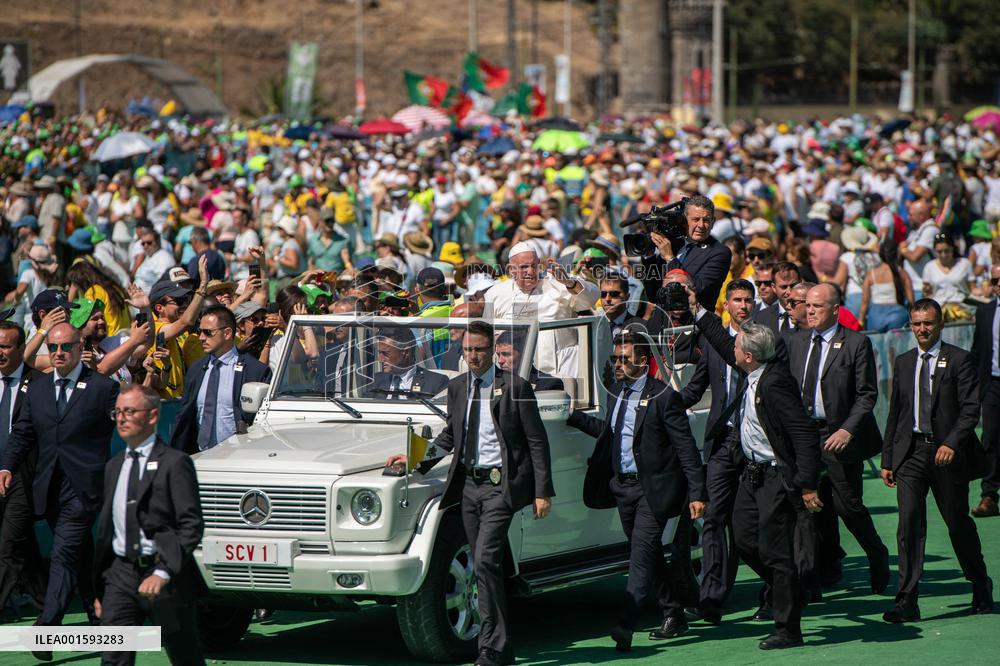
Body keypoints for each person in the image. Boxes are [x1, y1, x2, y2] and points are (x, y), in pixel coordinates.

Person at [387, 320, 554, 666]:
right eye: (467, 350)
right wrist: (415, 460)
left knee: (487, 561)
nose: (473, 356)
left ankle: (491, 646)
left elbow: (536, 441)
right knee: (482, 565)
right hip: (468, 487)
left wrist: (542, 491)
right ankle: (501, 645)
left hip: (500, 487)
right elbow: (451, 436)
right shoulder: (458, 387)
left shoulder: (515, 387)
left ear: (492, 350)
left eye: (479, 349)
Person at [567, 329, 705, 651]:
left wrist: (698, 493)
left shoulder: (663, 397)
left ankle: (625, 625)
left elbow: (685, 447)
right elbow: (610, 433)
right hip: (623, 488)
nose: (617, 364)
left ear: (642, 362)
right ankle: (674, 613)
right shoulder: (616, 392)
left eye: (624, 359)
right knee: (649, 553)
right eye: (615, 358)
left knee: (640, 557)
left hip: (652, 490)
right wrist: (572, 417)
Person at [693, 312, 822, 650]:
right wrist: (699, 311)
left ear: (749, 356)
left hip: (776, 477)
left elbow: (804, 434)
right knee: (746, 540)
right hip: (751, 475)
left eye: (737, 347)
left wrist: (808, 484)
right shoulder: (753, 370)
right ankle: (789, 588)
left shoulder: (775, 383)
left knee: (776, 551)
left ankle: (788, 629)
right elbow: (724, 345)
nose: (732, 350)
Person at [0, 323, 120, 647]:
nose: (58, 353)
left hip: (83, 487)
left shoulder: (102, 388)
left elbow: (128, 424)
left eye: (66, 347)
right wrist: (7, 466)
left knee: (64, 552)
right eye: (52, 348)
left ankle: (47, 627)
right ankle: (99, 613)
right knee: (80, 552)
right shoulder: (37, 388)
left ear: (80, 348)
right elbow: (23, 432)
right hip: (48, 485)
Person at [880, 299, 993, 622]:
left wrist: (952, 443)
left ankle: (980, 584)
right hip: (911, 454)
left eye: (928, 323)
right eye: (916, 324)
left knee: (957, 523)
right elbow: (896, 413)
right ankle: (906, 600)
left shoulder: (959, 360)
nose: (922, 329)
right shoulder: (904, 362)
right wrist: (888, 458)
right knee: (908, 524)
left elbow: (970, 409)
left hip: (947, 456)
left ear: (940, 324)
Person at [93, 384, 205, 665]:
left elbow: (190, 525)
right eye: (117, 412)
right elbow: (108, 530)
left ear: (153, 416)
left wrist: (163, 572)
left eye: (130, 411)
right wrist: (102, 589)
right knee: (114, 659)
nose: (122, 418)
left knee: (183, 655)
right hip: (121, 576)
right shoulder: (114, 466)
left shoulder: (174, 463)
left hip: (164, 577)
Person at [795, 284, 889, 593]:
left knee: (848, 507)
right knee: (808, 510)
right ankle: (811, 583)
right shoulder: (796, 342)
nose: (810, 311)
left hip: (839, 437)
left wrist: (847, 430)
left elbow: (866, 394)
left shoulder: (856, 343)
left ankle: (876, 553)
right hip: (806, 438)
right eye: (808, 305)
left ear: (835, 309)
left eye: (817, 306)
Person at [681, 278, 755, 623]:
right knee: (712, 518)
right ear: (726, 305)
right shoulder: (712, 343)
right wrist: (663, 406)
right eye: (737, 300)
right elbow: (696, 388)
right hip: (722, 442)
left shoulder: (763, 340)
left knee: (748, 526)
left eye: (748, 300)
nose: (743, 306)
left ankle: (776, 589)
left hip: (755, 444)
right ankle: (711, 598)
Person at [484, 244, 599, 378]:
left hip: (562, 367)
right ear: (511, 269)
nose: (531, 272)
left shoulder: (559, 282)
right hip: (513, 374)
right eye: (524, 267)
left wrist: (569, 283)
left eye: (534, 266)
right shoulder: (495, 294)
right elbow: (486, 333)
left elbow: (592, 298)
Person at [170, 305, 271, 454]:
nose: (201, 337)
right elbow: (185, 415)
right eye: (199, 331)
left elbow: (262, 420)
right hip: (199, 454)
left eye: (208, 332)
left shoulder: (255, 371)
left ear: (227, 333)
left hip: (240, 455)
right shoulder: (196, 369)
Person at [0, 321, 46, 620]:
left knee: (8, 545)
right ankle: (48, 602)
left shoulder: (40, 385)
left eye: (5, 347)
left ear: (21, 349)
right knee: (24, 546)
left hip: (22, 475)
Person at [641, 194, 731, 311]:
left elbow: (698, 288)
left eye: (706, 220)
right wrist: (649, 257)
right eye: (695, 219)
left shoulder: (719, 252)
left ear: (713, 222)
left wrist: (670, 258)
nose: (701, 225)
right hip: (663, 318)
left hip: (694, 319)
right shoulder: (674, 244)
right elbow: (652, 294)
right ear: (684, 220)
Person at [970, 264, 1000, 518]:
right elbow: (977, 350)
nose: (998, 284)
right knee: (989, 438)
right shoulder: (985, 312)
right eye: (995, 280)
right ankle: (989, 495)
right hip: (993, 383)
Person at [366, 328, 449, 399]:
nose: (380, 359)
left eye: (386, 353)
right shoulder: (374, 381)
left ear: (406, 352)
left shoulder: (436, 383)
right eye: (379, 353)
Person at [861, 241, 913, 332]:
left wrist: (861, 320)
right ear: (896, 254)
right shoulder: (902, 273)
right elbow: (911, 300)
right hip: (898, 315)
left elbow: (865, 302)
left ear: (880, 255)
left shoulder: (871, 274)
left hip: (876, 316)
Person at [922, 234, 974, 317]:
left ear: (953, 249)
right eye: (939, 252)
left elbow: (972, 290)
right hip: (938, 310)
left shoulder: (965, 263)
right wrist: (926, 291)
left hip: (962, 309)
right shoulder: (929, 267)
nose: (943, 255)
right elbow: (927, 294)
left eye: (947, 251)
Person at [495, 330, 563, 392]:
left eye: (506, 354)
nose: (500, 360)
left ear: (523, 355)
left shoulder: (548, 384)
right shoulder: (495, 381)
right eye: (498, 355)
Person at [755, 262, 800, 335]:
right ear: (774, 287)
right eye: (784, 287)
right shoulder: (762, 317)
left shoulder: (809, 314)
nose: (789, 291)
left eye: (793, 285)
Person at [132, 227, 176, 295]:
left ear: (157, 242)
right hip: (139, 298)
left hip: (151, 299)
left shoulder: (164, 258)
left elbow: (165, 285)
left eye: (149, 243)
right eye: (143, 243)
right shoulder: (149, 256)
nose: (145, 245)